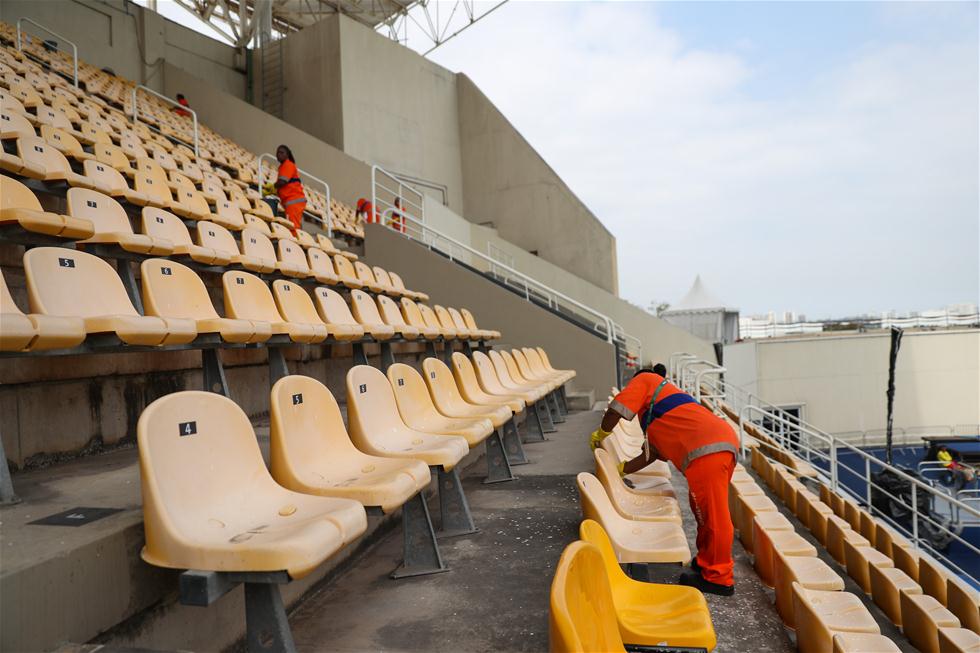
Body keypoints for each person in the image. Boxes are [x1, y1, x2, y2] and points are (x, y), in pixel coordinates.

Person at [590, 364, 739, 596]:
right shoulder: (660, 409)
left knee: (714, 516)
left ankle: (719, 578)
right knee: (702, 510)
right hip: (713, 445)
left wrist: (602, 433)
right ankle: (706, 563)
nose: (631, 389)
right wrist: (619, 470)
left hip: (707, 448)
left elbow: (616, 409)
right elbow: (651, 455)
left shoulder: (647, 379)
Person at [264, 145, 306, 235]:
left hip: (294, 200)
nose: (279, 154)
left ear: (287, 155)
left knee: (293, 227)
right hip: (291, 200)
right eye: (278, 152)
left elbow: (282, 182)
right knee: (292, 225)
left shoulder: (288, 164)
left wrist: (273, 187)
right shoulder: (284, 166)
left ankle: (296, 245)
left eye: (282, 152)